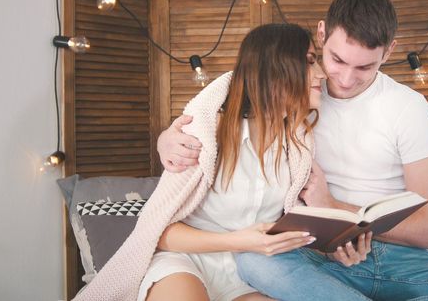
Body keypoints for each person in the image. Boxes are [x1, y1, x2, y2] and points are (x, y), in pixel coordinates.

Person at [157, 0, 428, 300]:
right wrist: (170, 138)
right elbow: (237, 86)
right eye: (336, 59)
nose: (345, 78)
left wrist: (335, 209)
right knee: (255, 261)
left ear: (388, 52)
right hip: (317, 257)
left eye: (365, 67)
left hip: (399, 259)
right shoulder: (295, 94)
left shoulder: (407, 106)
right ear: (321, 35)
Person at [71, 23, 334, 301]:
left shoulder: (299, 145)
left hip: (250, 269)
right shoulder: (206, 134)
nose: (321, 73)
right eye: (309, 62)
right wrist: (238, 241)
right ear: (275, 71)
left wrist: (336, 245)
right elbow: (159, 230)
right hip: (185, 260)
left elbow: (294, 224)